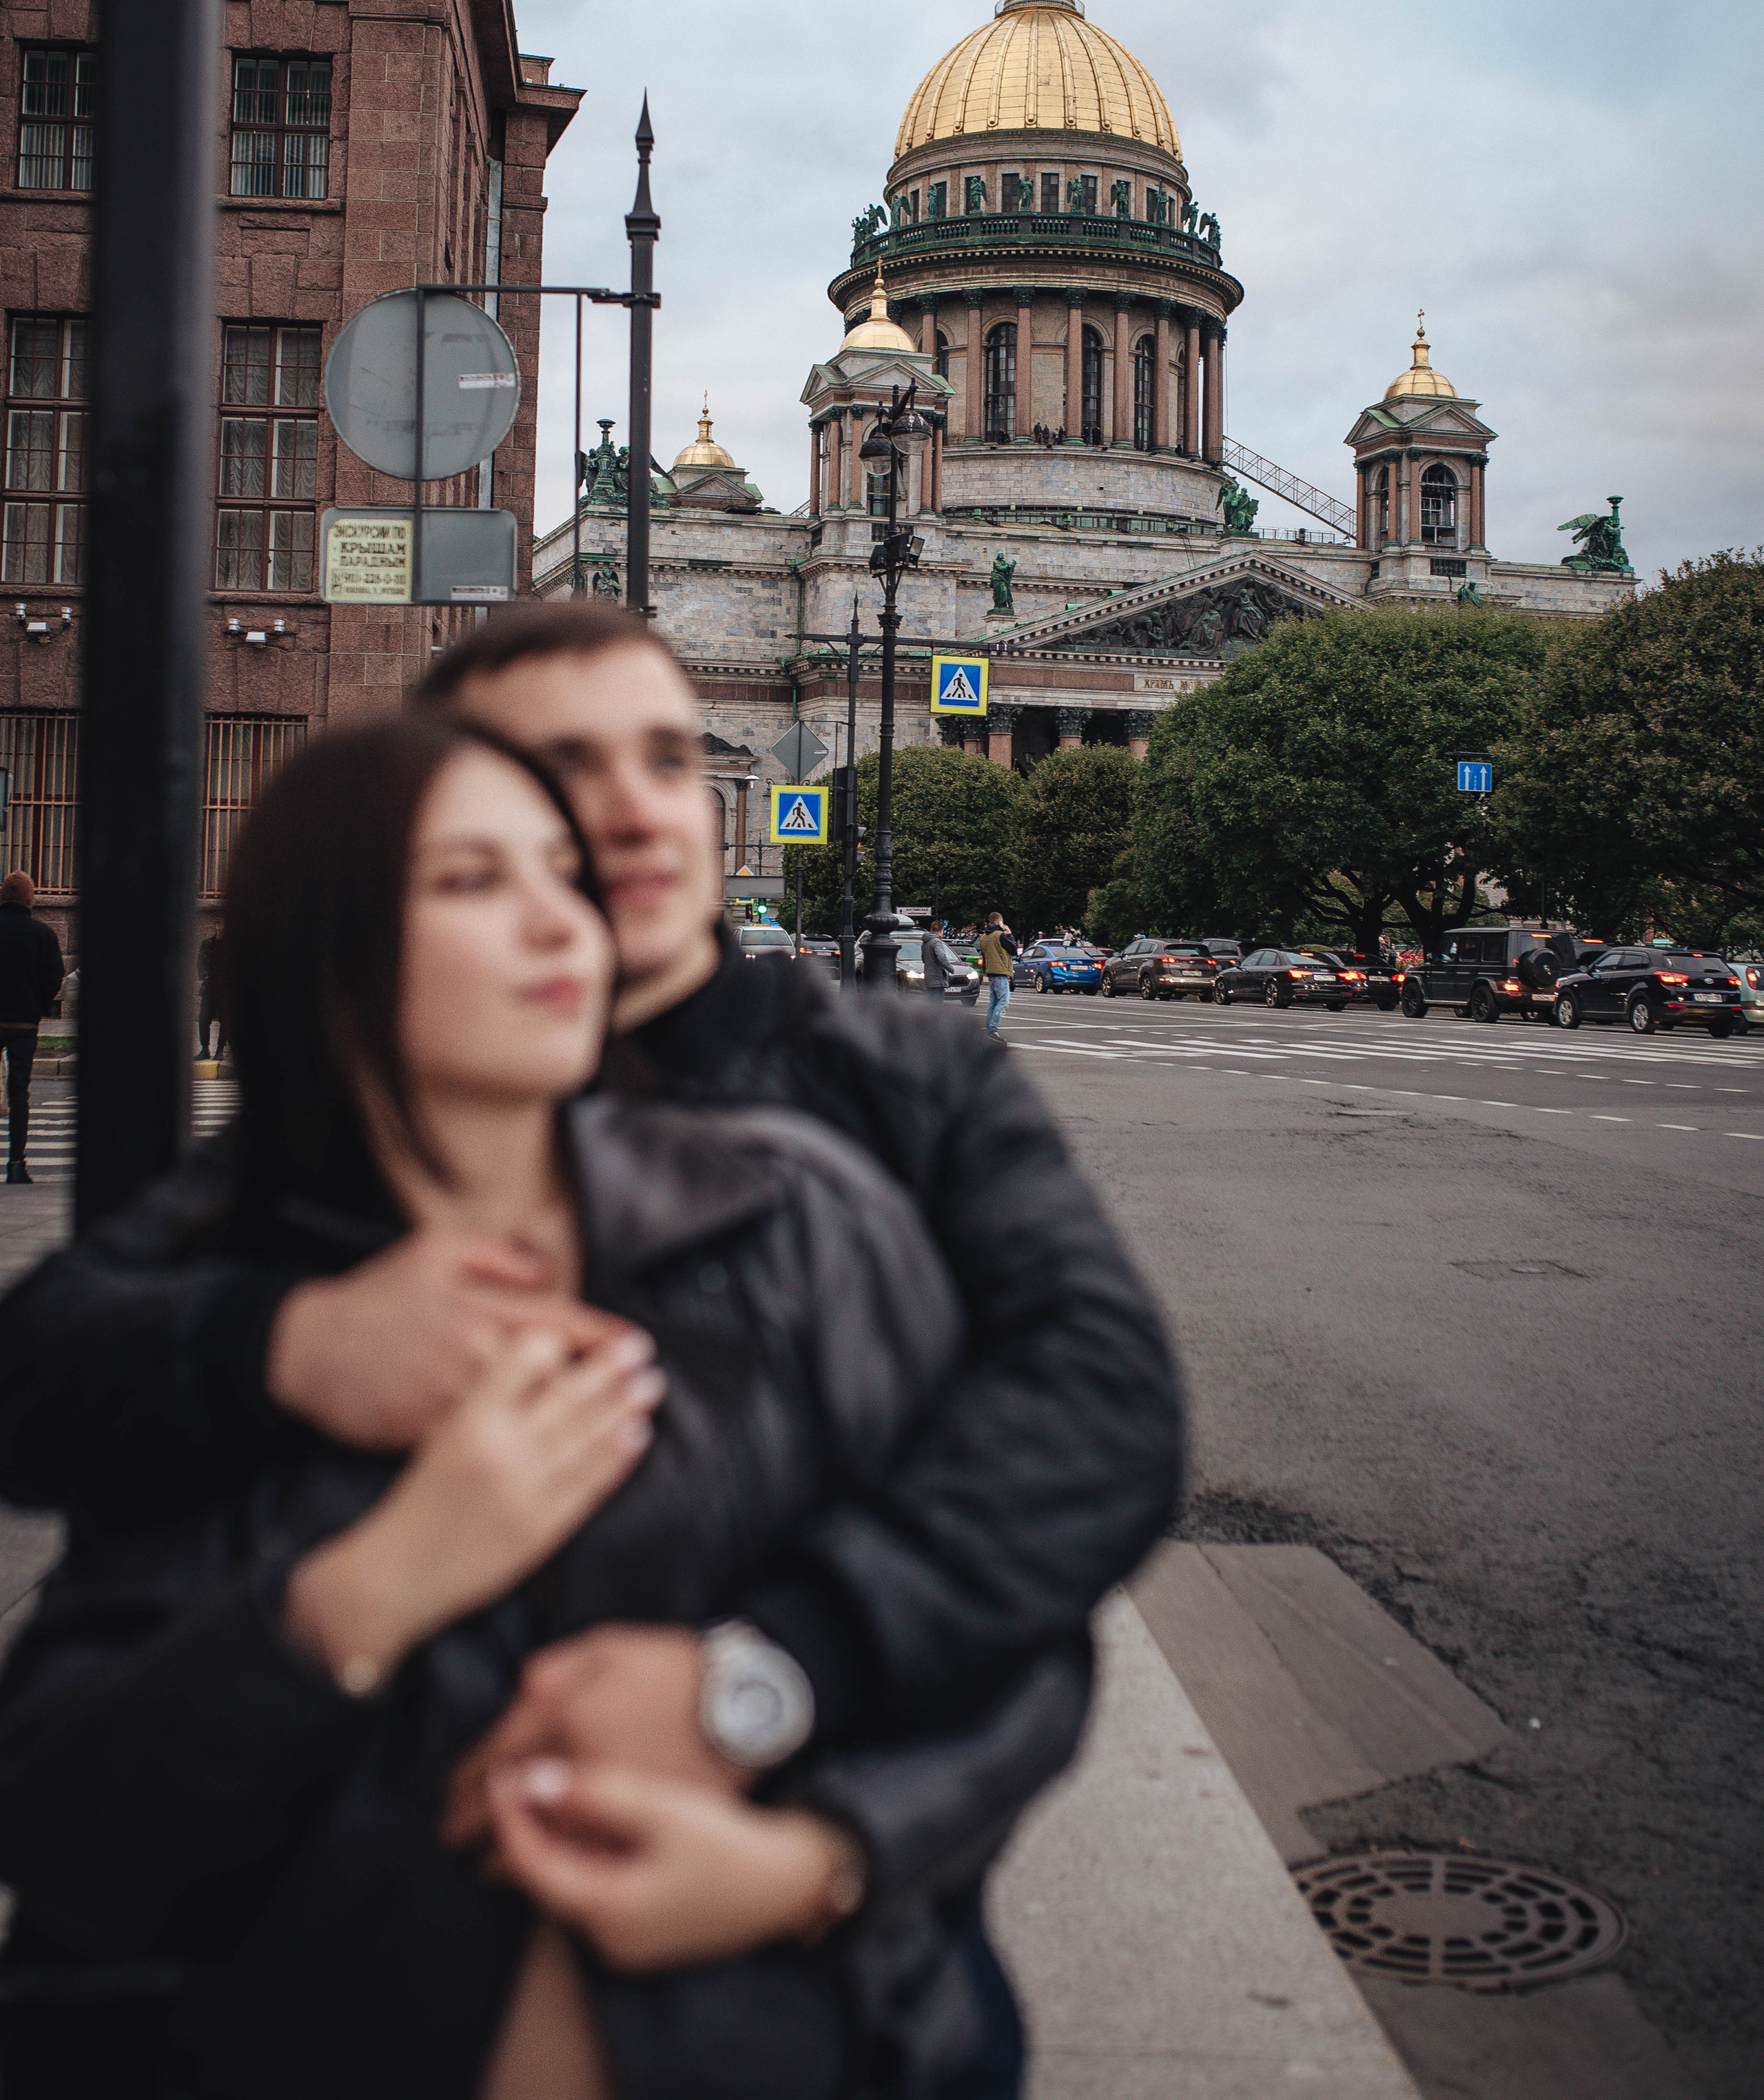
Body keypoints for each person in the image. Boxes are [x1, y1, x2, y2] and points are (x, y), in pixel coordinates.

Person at [0, 603, 1182, 2084]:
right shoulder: (326, 1205)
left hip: (822, 1980)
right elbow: (54, 1395)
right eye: (552, 782)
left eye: (668, 759)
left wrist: (796, 1774)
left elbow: (1081, 1464)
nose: (625, 813)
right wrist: (289, 1354)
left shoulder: (861, 1138)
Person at [0, 871, 63, 1184]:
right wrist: (36, 1008)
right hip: (24, 1023)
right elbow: (54, 978)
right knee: (19, 1094)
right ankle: (15, 1164)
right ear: (30, 899)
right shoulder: (43, 935)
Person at [975, 912, 1018, 1042]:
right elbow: (1014, 949)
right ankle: (993, 1030)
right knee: (1003, 1002)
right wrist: (1009, 934)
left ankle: (989, 1028)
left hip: (991, 972)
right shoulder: (1000, 936)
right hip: (1000, 972)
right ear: (999, 922)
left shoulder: (984, 937)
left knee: (993, 1002)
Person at [195, 925, 225, 1062]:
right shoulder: (208, 944)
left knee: (226, 1021)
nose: (222, 928)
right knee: (204, 1019)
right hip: (210, 988)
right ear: (216, 926)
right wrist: (206, 977)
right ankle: (204, 1049)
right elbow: (200, 963)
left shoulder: (232, 946)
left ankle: (220, 1050)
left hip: (226, 989)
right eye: (220, 925)